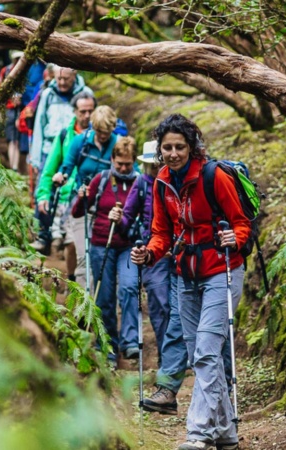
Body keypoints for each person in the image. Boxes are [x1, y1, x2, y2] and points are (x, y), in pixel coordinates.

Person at [131, 114, 251, 450]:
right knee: (203, 353)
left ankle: (198, 434)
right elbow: (161, 233)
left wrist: (233, 238)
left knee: (206, 353)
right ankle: (226, 434)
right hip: (186, 276)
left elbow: (242, 223)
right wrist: (149, 254)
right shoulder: (162, 182)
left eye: (179, 147)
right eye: (166, 148)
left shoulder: (214, 176)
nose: (172, 153)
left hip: (222, 272)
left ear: (191, 147)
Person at [109, 140, 189, 414]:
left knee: (176, 308)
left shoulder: (176, 181)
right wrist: (117, 218)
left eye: (157, 162)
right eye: (152, 163)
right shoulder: (143, 184)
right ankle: (169, 364)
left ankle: (176, 363)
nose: (155, 167)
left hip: (178, 253)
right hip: (154, 255)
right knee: (159, 306)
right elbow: (128, 218)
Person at [71, 136, 140, 367]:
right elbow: (77, 213)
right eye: (119, 163)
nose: (122, 168)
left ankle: (130, 341)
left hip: (128, 244)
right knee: (105, 297)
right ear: (112, 159)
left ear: (133, 162)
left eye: (127, 164)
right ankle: (107, 343)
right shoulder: (101, 180)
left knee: (130, 288)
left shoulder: (139, 183)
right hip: (102, 244)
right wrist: (81, 197)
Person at [53, 105, 120, 288]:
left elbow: (129, 171)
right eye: (99, 131)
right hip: (82, 206)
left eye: (106, 132)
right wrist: (61, 176)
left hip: (106, 209)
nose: (103, 135)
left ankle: (98, 301)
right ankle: (82, 304)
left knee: (100, 257)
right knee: (83, 257)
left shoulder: (118, 144)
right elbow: (67, 166)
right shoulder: (80, 142)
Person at [34, 92, 97, 283]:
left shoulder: (103, 136)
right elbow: (49, 169)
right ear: (74, 111)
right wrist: (43, 195)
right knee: (72, 243)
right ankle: (73, 282)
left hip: (94, 197)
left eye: (90, 111)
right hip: (66, 198)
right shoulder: (64, 136)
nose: (86, 115)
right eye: (82, 111)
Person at [29, 66, 94, 173]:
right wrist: (36, 159)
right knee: (45, 185)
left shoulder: (86, 94)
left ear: (74, 75)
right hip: (49, 150)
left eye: (66, 78)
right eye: (59, 78)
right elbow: (39, 125)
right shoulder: (48, 94)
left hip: (76, 150)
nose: (62, 82)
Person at [0, 51, 24, 171]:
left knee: (18, 140)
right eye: (16, 58)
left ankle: (16, 167)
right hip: (10, 109)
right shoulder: (6, 71)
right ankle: (14, 168)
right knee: (12, 139)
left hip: (24, 110)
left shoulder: (29, 72)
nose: (18, 61)